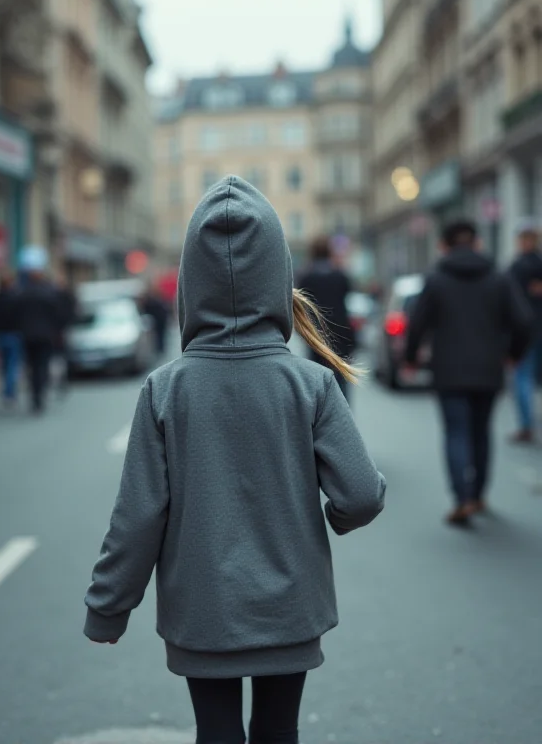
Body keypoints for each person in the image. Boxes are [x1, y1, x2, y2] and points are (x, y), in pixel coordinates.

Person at [84, 176, 386, 744]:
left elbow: (138, 515)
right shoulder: (312, 383)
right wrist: (338, 518)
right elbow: (361, 495)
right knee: (278, 731)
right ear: (279, 277)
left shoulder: (165, 389)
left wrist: (109, 606)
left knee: (215, 732)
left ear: (187, 287)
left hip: (203, 611)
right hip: (290, 605)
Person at [405, 221, 532, 525]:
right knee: (480, 432)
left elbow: (417, 324)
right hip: (488, 369)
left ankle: (461, 498)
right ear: (477, 244)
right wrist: (513, 354)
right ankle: (477, 495)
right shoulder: (498, 278)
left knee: (456, 432)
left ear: (444, 246)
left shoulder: (436, 280)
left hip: (448, 370)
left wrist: (410, 359)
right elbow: (524, 321)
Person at [297, 236, 356, 398]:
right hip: (340, 332)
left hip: (316, 332)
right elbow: (348, 293)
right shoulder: (339, 276)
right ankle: (342, 415)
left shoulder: (306, 277)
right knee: (341, 377)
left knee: (317, 377)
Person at [509, 221, 542, 443]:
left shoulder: (518, 266)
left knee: (522, 378)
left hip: (524, 331)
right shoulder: (538, 264)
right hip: (536, 329)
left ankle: (526, 425)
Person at [17, 253, 60, 414]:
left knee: (32, 367)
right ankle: (40, 394)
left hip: (28, 336)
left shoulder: (22, 292)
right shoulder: (48, 293)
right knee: (41, 366)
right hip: (44, 336)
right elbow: (57, 314)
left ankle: (35, 396)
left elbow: (16, 314)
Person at [0, 271, 22, 406]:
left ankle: (7, 391)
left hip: (1, 334)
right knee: (12, 364)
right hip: (13, 334)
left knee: (5, 365)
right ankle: (9, 392)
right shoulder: (15, 298)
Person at [53, 274, 77, 396]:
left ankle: (63, 377)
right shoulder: (53, 296)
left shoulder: (60, 296)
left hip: (62, 330)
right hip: (56, 331)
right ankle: (61, 378)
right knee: (59, 357)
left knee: (62, 356)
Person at [140, 284, 170, 356]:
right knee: (159, 336)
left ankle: (161, 349)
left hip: (160, 321)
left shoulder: (155, 300)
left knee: (160, 336)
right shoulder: (152, 301)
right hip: (158, 321)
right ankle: (160, 349)